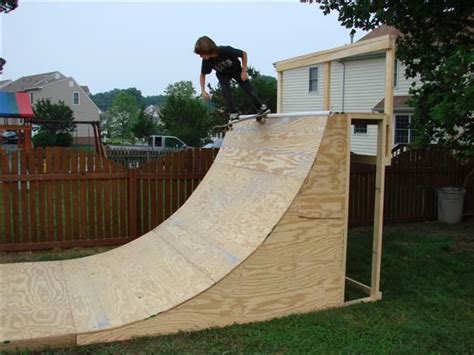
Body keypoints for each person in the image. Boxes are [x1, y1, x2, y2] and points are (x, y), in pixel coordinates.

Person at [194, 36, 270, 121]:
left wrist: (244, 71)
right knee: (225, 91)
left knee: (247, 88)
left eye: (201, 53)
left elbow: (243, 54)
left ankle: (261, 107)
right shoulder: (206, 61)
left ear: (207, 50)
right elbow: (202, 75)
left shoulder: (225, 50)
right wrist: (203, 91)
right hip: (222, 74)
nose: (200, 56)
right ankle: (233, 112)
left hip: (236, 70)